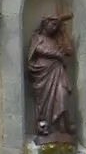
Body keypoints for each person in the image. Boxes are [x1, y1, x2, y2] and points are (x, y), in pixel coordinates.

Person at [27, 9, 78, 142]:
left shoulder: (57, 41)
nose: (54, 28)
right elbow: (37, 50)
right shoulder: (38, 38)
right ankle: (47, 126)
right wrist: (55, 54)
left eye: (56, 26)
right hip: (43, 74)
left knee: (63, 95)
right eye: (52, 24)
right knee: (45, 101)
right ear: (45, 23)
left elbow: (69, 51)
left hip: (58, 72)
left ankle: (61, 127)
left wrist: (63, 32)